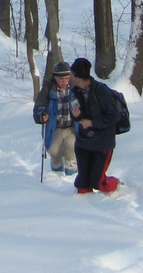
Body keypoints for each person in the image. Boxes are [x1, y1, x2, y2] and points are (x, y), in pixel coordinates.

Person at [69, 57, 126, 194]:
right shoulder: (76, 92)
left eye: (74, 76)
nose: (73, 79)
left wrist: (93, 123)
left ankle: (116, 183)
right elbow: (75, 115)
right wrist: (76, 116)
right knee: (82, 185)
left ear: (78, 77)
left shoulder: (101, 91)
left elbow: (114, 116)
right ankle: (83, 209)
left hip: (102, 142)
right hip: (84, 142)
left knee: (97, 183)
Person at [34, 60, 77, 176]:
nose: (64, 82)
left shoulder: (75, 89)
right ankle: (57, 173)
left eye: (66, 78)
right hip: (55, 127)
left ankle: (72, 174)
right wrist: (42, 114)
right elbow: (39, 105)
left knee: (71, 147)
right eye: (61, 79)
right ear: (55, 78)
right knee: (53, 151)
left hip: (72, 126)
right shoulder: (48, 90)